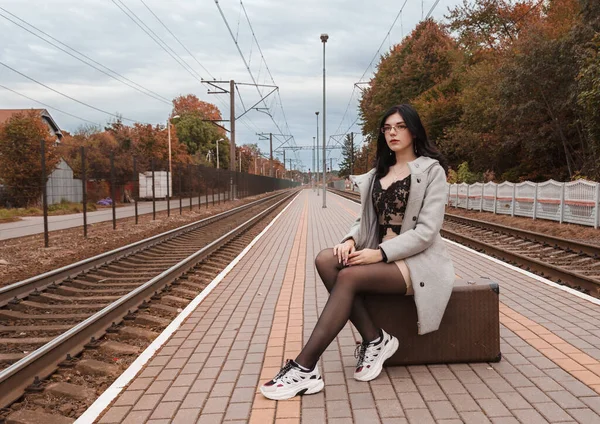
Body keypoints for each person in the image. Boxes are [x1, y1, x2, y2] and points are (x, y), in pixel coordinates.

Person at [260, 104, 455, 401]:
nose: (393, 132)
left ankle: (305, 367)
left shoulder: (431, 171)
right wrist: (350, 240)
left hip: (416, 262)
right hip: (380, 255)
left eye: (400, 126)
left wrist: (380, 254)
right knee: (327, 259)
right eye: (387, 128)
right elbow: (364, 221)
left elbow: (426, 233)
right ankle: (375, 340)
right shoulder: (379, 173)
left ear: (414, 131)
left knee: (349, 278)